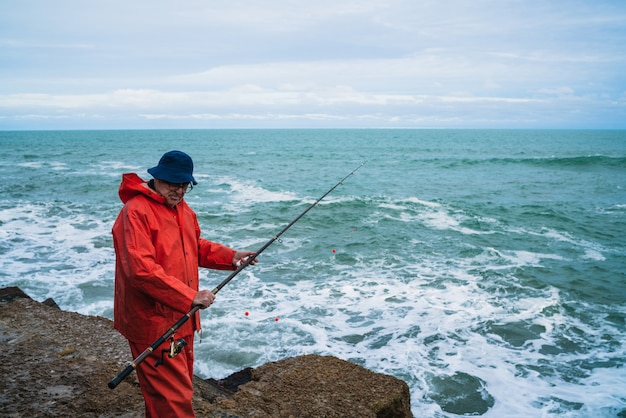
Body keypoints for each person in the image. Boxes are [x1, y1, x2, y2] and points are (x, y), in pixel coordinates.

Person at [112, 150, 256, 417]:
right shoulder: (135, 213)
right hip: (153, 322)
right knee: (173, 400)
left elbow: (194, 247)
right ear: (156, 178)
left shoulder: (183, 210)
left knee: (170, 394)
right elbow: (140, 270)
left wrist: (231, 257)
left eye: (184, 185)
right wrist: (189, 296)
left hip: (182, 320)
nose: (179, 191)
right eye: (172, 183)